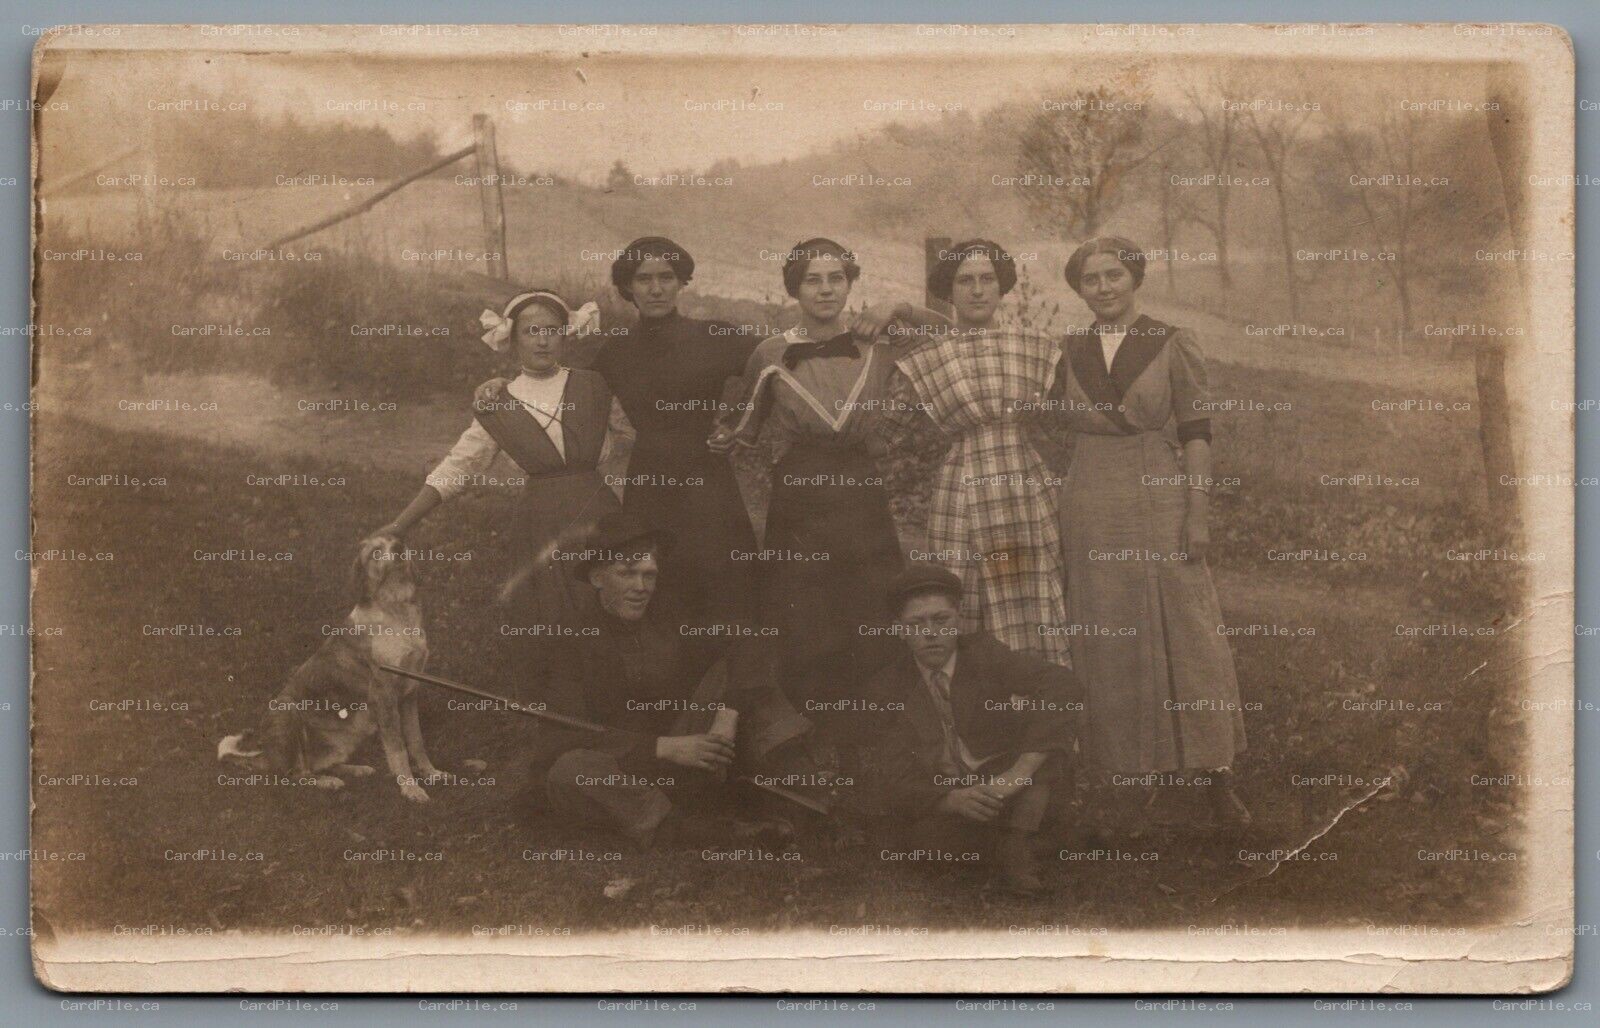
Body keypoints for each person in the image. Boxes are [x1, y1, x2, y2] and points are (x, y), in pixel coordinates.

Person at [1052, 236, 1249, 826]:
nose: (1105, 288)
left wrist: (1198, 513)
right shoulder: (1068, 348)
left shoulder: (1169, 342)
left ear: (1134, 279)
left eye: (1115, 275)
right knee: (1110, 629)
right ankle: (1133, 773)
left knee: (1186, 628)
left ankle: (1214, 774)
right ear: (1079, 289)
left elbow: (1196, 432)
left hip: (1158, 490)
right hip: (1090, 494)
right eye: (1092, 279)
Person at [518, 512, 826, 848]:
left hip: (696, 754)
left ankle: (810, 798)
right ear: (597, 577)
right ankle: (693, 832)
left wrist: (725, 718)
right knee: (569, 770)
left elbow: (746, 640)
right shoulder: (570, 640)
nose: (641, 588)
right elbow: (562, 735)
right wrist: (663, 748)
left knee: (745, 681)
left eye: (649, 575)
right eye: (627, 574)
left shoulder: (671, 616)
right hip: (628, 773)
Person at [376, 290, 633, 693]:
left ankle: (621, 696)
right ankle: (561, 705)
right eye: (532, 332)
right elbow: (461, 466)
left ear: (565, 335)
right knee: (552, 613)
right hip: (540, 522)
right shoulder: (498, 402)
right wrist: (400, 524)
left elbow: (637, 433)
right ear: (512, 340)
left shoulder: (595, 385)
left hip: (598, 512)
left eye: (551, 330)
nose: (543, 340)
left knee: (610, 601)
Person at [707, 238, 904, 756]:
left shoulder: (880, 342)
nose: (825, 289)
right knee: (804, 615)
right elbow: (739, 432)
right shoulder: (771, 353)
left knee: (871, 609)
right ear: (795, 289)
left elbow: (950, 335)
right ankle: (812, 743)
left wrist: (898, 308)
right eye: (813, 280)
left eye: (836, 278)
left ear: (850, 284)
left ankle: (872, 742)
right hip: (799, 494)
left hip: (862, 490)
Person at [877, 239, 1070, 667]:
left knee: (1033, 595)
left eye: (988, 280)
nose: (978, 290)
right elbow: (884, 433)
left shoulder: (1035, 346)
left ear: (1002, 288)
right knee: (960, 598)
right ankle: (966, 719)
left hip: (1025, 487)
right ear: (949, 290)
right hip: (961, 490)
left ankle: (1040, 710)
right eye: (966, 281)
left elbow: (1070, 424)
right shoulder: (929, 356)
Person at [869, 564, 1079, 896]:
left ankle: (1016, 843)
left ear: (959, 620)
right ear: (899, 630)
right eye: (916, 624)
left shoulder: (984, 654)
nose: (930, 633)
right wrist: (948, 800)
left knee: (1044, 767)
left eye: (941, 620)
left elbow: (1061, 684)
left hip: (1006, 783)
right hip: (949, 793)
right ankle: (1022, 841)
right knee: (920, 842)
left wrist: (1018, 774)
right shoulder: (887, 688)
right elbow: (892, 775)